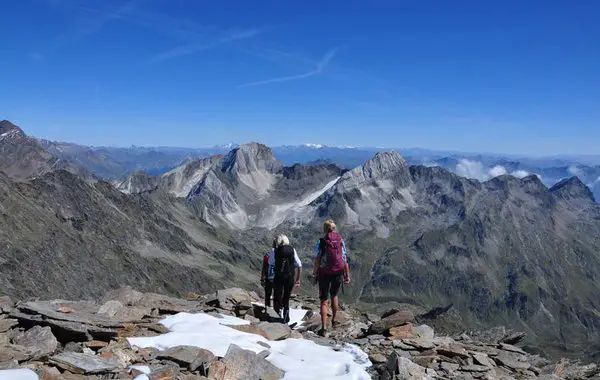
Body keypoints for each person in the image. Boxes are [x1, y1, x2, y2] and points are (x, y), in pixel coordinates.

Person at [313, 219, 351, 337]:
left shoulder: (322, 242)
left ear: (325, 229)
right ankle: (334, 320)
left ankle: (324, 328)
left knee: (324, 300)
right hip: (338, 272)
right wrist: (347, 275)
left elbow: (318, 258)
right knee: (334, 295)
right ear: (334, 229)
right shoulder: (340, 241)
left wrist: (315, 272)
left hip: (324, 272)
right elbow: (344, 259)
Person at [272, 234, 302, 323]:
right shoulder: (292, 250)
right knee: (286, 297)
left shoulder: (275, 251)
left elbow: (271, 262)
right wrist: (298, 279)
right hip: (289, 277)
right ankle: (286, 318)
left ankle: (276, 316)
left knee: (277, 296)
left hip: (278, 277)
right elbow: (299, 264)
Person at [260, 239, 276, 309]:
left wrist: (262, 278)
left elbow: (264, 267)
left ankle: (267, 308)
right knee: (277, 294)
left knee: (268, 294)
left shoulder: (267, 255)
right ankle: (277, 310)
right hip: (278, 278)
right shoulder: (283, 255)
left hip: (268, 278)